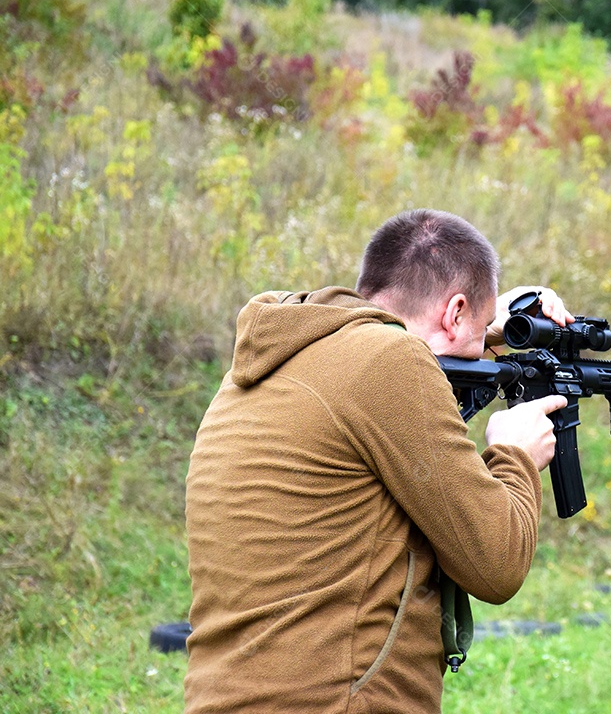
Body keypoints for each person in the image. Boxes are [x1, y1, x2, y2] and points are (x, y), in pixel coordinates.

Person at [184, 209, 571, 713]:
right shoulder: (389, 363)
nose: (482, 358)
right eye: (478, 338)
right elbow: (496, 566)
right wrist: (515, 453)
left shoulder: (280, 356)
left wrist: (488, 322)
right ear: (454, 313)